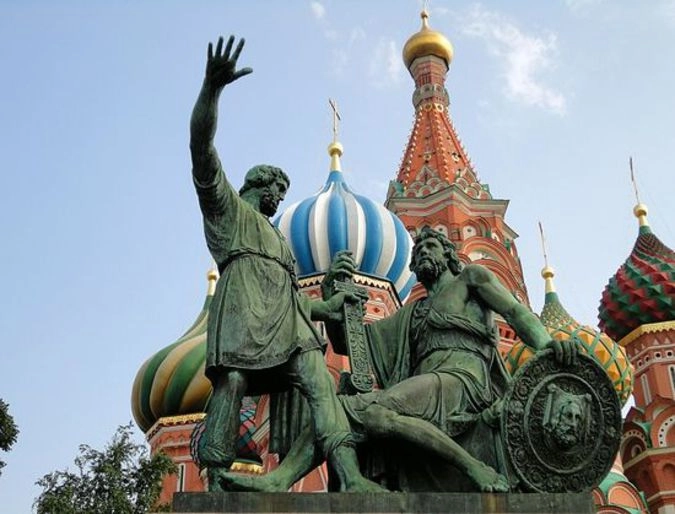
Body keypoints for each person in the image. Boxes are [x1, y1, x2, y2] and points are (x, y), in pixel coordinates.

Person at [221, 226, 577, 492]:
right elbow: (350, 345)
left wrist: (547, 344)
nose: (422, 253)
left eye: (430, 246)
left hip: (464, 381)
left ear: (449, 254)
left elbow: (515, 312)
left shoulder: (471, 278)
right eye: (417, 250)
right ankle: (279, 480)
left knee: (373, 410)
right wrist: (333, 296)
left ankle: (475, 468)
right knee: (335, 407)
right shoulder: (413, 312)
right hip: (428, 383)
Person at [190, 35, 381, 492]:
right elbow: (201, 149)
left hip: (289, 327)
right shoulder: (228, 211)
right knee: (233, 382)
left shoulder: (278, 239)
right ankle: (215, 474)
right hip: (241, 315)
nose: (279, 196)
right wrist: (212, 90)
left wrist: (328, 307)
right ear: (257, 184)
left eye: (283, 190)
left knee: (321, 387)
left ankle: (351, 476)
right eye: (276, 188)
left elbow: (291, 299)